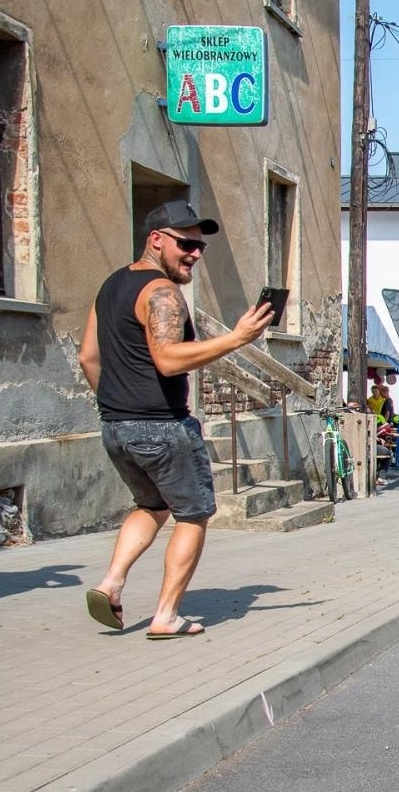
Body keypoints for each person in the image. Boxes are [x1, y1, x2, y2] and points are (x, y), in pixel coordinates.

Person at [77, 200, 272, 638]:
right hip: (163, 426)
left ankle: (110, 583)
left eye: (200, 247)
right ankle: (166, 616)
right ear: (156, 240)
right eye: (186, 244)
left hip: (116, 427)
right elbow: (167, 361)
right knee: (193, 513)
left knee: (152, 505)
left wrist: (119, 403)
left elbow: (88, 357)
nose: (195, 254)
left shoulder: (110, 287)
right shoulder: (162, 292)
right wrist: (236, 338)